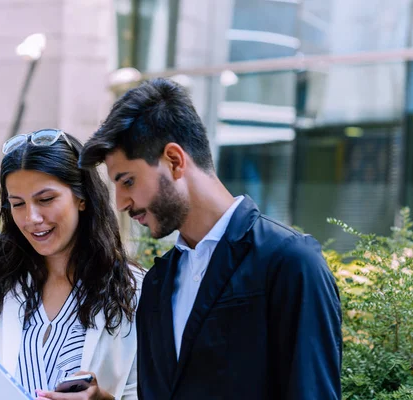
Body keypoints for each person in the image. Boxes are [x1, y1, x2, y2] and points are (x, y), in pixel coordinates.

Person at [79, 78, 342, 399]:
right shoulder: (158, 284)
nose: (121, 202)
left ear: (174, 161)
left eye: (128, 181)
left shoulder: (290, 263)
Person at [0, 129, 141, 400]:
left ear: (82, 198)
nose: (31, 218)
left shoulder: (134, 290)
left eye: (45, 200)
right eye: (17, 204)